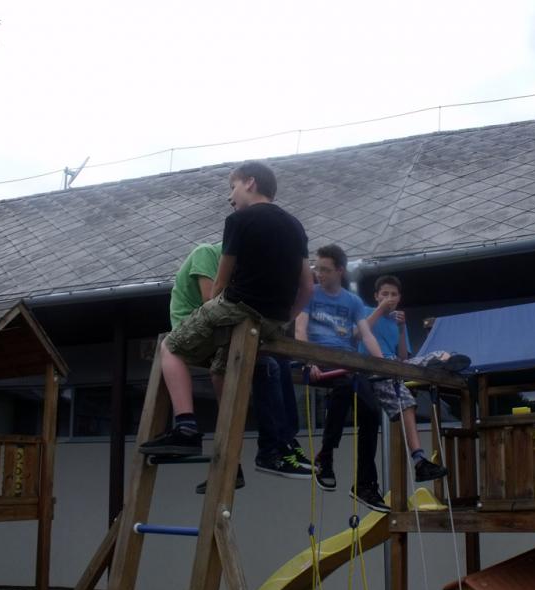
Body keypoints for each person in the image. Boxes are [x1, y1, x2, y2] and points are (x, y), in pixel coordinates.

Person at [140, 161, 314, 464]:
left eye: (232, 187)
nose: (230, 196)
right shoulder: (295, 226)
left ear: (250, 183)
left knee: (170, 346)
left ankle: (185, 427)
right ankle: (231, 451)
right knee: (220, 367)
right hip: (272, 319)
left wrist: (212, 309)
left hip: (235, 306)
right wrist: (285, 318)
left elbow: (220, 283)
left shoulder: (239, 220)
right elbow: (308, 287)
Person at [295, 244, 390, 513]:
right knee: (345, 385)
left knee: (371, 410)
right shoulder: (309, 294)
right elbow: (300, 330)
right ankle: (326, 456)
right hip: (317, 362)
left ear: (340, 271)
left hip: (346, 364)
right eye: (317, 268)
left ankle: (365, 483)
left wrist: (383, 364)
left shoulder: (353, 302)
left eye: (325, 269)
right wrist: (308, 360)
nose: (319, 274)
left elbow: (366, 335)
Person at [360, 275, 448, 482]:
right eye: (384, 294)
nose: (389, 298)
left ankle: (446, 364)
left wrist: (401, 328)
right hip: (373, 365)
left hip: (396, 364)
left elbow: (402, 356)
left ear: (399, 298)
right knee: (407, 402)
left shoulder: (398, 321)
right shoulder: (364, 312)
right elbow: (359, 333)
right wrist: (380, 310)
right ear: (376, 296)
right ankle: (419, 460)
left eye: (393, 295)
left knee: (443, 355)